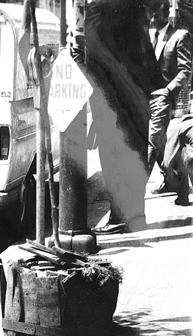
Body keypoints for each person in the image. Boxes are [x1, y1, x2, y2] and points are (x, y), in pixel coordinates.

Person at [86, 0, 163, 235]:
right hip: (136, 94)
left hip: (116, 98)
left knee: (116, 156)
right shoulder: (131, 11)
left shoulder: (98, 10)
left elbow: (95, 59)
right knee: (134, 152)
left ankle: (123, 216)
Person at [147, 0, 192, 201]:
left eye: (153, 14)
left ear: (162, 14)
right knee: (165, 146)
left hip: (172, 100)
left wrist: (168, 90)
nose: (150, 18)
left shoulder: (180, 36)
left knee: (154, 144)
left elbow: (186, 71)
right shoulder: (153, 37)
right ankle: (179, 188)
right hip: (155, 100)